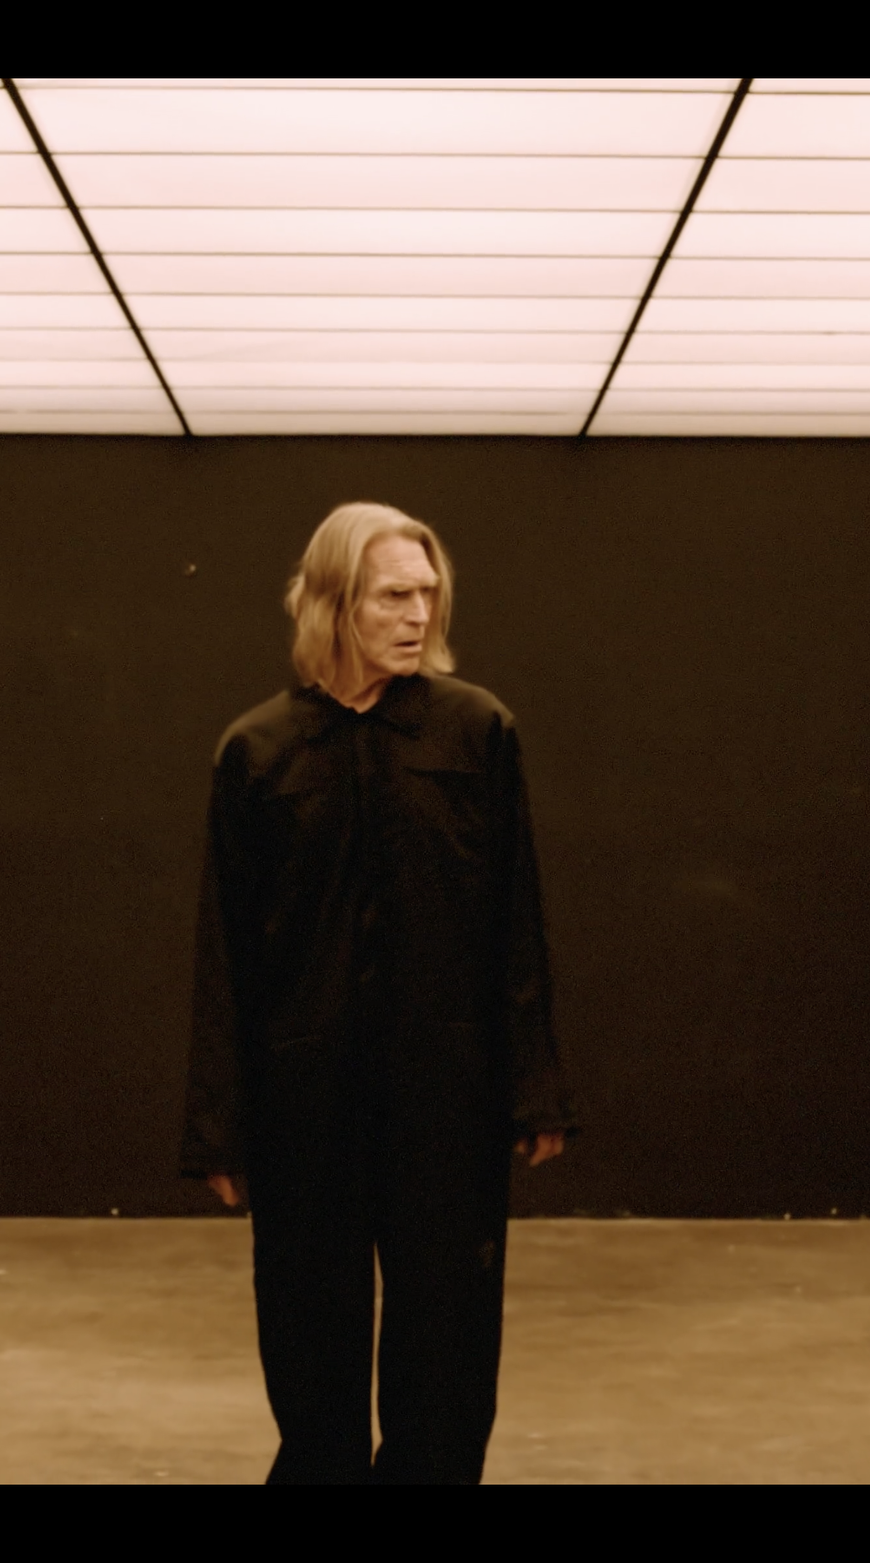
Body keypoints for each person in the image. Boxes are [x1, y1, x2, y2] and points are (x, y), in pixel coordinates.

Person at [182, 502, 574, 1483]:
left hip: (446, 1092)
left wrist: (536, 1089)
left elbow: (513, 923)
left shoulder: (475, 731)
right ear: (332, 603)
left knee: (446, 1333)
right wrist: (219, 1129)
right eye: (392, 596)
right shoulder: (258, 751)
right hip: (303, 1099)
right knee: (309, 1331)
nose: (416, 615)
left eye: (427, 595)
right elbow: (225, 952)